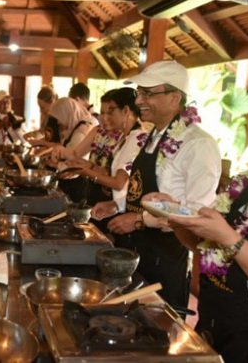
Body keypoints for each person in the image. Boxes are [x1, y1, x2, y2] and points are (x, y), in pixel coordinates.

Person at [149, 93, 248, 363]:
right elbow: (202, 246)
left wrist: (229, 238)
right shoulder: (246, 186)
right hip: (212, 328)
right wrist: (176, 216)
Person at [105, 60, 221, 308]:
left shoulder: (198, 145)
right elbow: (141, 188)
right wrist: (117, 206)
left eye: (148, 93)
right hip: (134, 250)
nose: (138, 101)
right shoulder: (154, 135)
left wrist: (140, 220)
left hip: (164, 258)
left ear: (174, 97)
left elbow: (197, 215)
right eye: (139, 93)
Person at [57, 88, 145, 223]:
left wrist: (86, 171)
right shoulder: (125, 137)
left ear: (126, 111)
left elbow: (118, 183)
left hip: (119, 209)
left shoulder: (137, 138)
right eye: (104, 112)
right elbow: (108, 172)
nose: (106, 117)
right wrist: (87, 166)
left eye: (111, 111)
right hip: (111, 205)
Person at [44, 97, 94, 202]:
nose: (58, 122)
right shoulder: (74, 127)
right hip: (70, 181)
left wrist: (56, 165)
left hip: (76, 185)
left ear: (68, 113)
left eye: (59, 117)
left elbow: (76, 162)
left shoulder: (81, 132)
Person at [0, 90, 25, 161]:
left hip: (13, 160)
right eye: (3, 102)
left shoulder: (19, 120)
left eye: (8, 102)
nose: (6, 104)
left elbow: (24, 140)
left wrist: (16, 127)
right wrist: (0, 125)